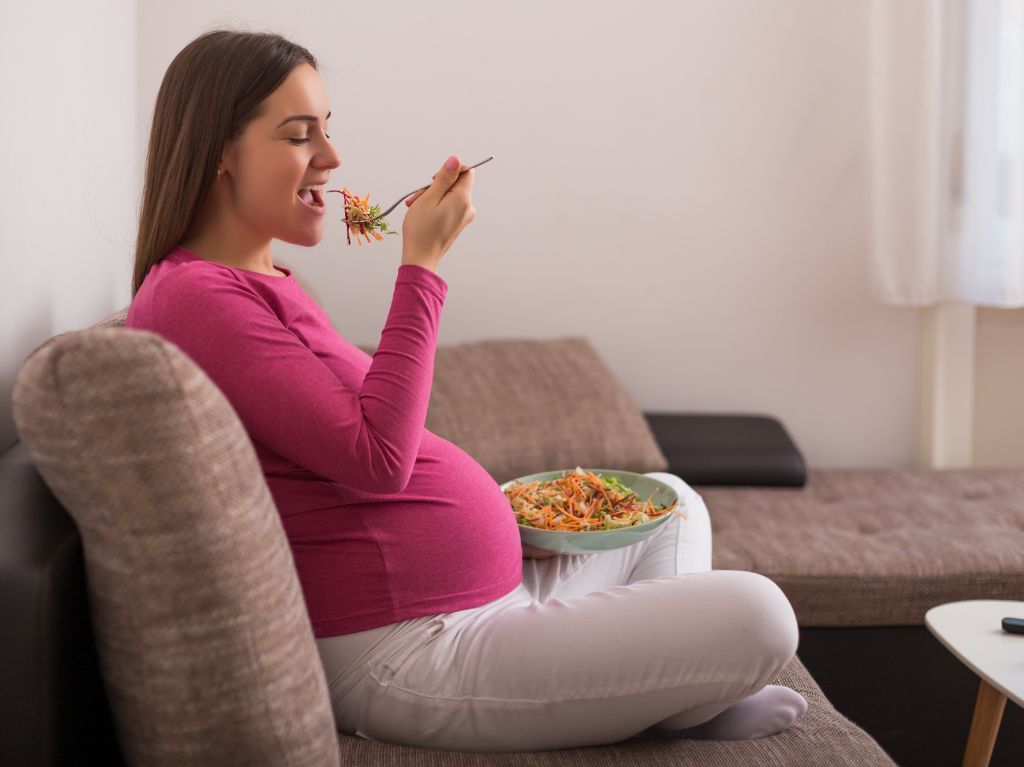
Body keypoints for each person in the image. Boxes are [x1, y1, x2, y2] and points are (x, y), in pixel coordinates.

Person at [126, 28, 808, 753]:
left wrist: (504, 532)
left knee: (670, 502)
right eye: (301, 136)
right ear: (221, 154)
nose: (332, 158)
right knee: (761, 614)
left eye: (329, 130)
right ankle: (676, 696)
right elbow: (378, 456)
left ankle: (671, 693)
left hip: (483, 598)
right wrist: (421, 267)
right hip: (407, 649)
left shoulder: (264, 283)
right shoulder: (197, 298)